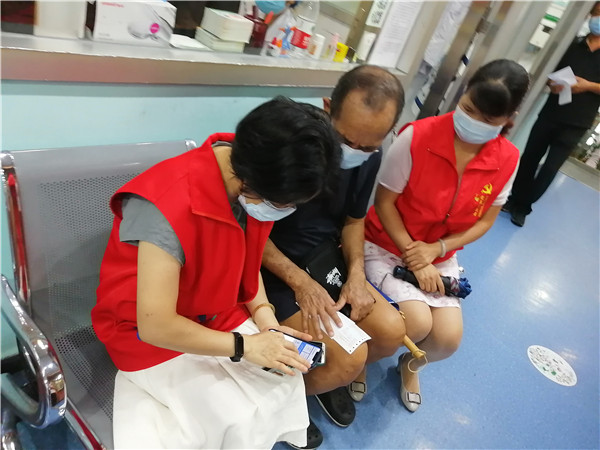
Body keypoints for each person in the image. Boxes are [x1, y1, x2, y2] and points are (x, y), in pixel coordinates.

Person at [91, 97, 340, 449]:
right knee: (232, 418)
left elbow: (246, 262)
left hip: (216, 311)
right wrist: (245, 346)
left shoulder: (251, 187)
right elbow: (155, 326)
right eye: (287, 204)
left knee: (284, 380)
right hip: (147, 334)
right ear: (253, 182)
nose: (288, 210)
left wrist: (266, 321)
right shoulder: (165, 206)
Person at [363, 60, 530, 413]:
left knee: (447, 340)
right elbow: (384, 202)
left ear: (509, 118)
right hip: (388, 241)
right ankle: (361, 358)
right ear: (463, 93)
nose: (473, 122)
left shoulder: (508, 159)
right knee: (415, 321)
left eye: (488, 119)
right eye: (469, 109)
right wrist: (415, 255)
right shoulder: (417, 136)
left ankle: (409, 366)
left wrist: (437, 249)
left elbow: (485, 221)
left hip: (439, 254)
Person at [261, 65, 406, 449]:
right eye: (345, 140)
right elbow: (251, 230)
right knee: (347, 359)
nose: (355, 152)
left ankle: (321, 383)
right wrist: (300, 282)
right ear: (328, 108)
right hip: (272, 266)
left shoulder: (368, 156)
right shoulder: (289, 143)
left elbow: (354, 221)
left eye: (369, 146)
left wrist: (357, 275)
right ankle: (281, 407)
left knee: (391, 332)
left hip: (325, 260)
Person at [505, 2, 600, 226]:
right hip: (551, 112)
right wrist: (553, 84)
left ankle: (524, 206)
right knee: (529, 158)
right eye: (598, 13)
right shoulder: (571, 45)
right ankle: (514, 199)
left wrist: (588, 86)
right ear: (590, 14)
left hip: (578, 122)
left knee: (549, 168)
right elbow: (551, 72)